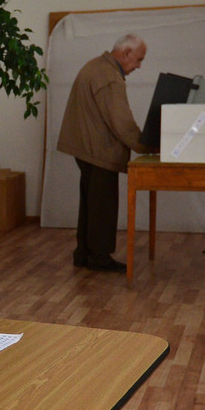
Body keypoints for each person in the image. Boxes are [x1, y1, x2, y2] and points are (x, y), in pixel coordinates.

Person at [57, 34, 155, 272]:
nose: (139, 66)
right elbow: (122, 123)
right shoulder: (110, 77)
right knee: (103, 205)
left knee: (91, 203)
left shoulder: (95, 66)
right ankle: (99, 258)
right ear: (126, 54)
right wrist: (147, 147)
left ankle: (83, 253)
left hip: (85, 148)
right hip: (99, 150)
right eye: (138, 60)